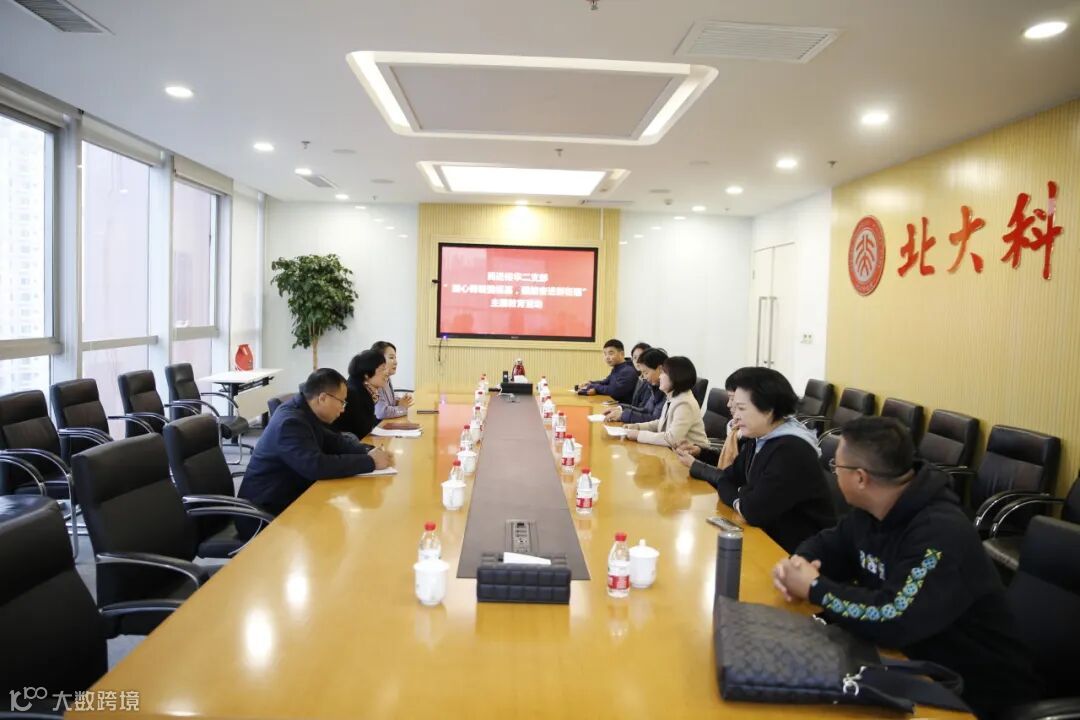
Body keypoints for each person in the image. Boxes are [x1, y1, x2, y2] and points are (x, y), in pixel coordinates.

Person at [772, 417, 1040, 717]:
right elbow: (826, 545)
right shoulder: (870, 511)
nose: (833, 473)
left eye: (837, 466)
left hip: (974, 690)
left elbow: (893, 616)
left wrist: (815, 588)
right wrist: (799, 565)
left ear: (860, 478)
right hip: (910, 660)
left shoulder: (940, 532)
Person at [677, 366, 835, 553]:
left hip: (798, 552)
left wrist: (741, 496)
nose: (735, 415)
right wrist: (741, 494)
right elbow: (728, 477)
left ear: (768, 410)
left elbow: (751, 511)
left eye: (741, 408)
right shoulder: (759, 438)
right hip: (768, 537)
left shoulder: (791, 449)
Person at [237, 368, 393, 538]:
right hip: (264, 514)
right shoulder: (290, 422)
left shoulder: (306, 412)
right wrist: (370, 462)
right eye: (342, 402)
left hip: (292, 499)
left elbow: (335, 442)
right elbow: (315, 466)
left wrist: (369, 451)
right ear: (323, 398)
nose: (342, 409)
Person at [624, 356, 709, 448]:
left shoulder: (685, 403)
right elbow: (661, 423)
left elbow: (672, 439)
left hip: (692, 453)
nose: (660, 376)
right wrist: (638, 426)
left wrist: (638, 435)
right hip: (676, 450)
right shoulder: (673, 396)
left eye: (663, 373)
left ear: (676, 377)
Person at [332, 350, 389, 441]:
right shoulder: (353, 393)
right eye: (383, 369)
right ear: (366, 374)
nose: (387, 372)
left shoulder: (363, 389)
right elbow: (362, 431)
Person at [604, 347, 667, 423]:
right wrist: (621, 408)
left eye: (646, 373)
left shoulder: (667, 389)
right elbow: (646, 410)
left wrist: (622, 415)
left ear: (660, 369)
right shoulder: (655, 386)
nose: (644, 377)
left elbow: (655, 420)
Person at [577, 338, 638, 403]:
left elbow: (614, 391)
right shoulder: (618, 368)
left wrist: (594, 387)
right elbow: (606, 382)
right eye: (605, 354)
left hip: (622, 407)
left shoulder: (628, 371)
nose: (607, 357)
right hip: (613, 404)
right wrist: (590, 383)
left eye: (610, 353)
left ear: (621, 354)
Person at [370, 340, 413, 419]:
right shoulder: (376, 380)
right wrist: (403, 408)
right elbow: (382, 412)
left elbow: (387, 402)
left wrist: (399, 401)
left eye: (395, 358)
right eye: (391, 358)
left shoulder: (387, 378)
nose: (396, 362)